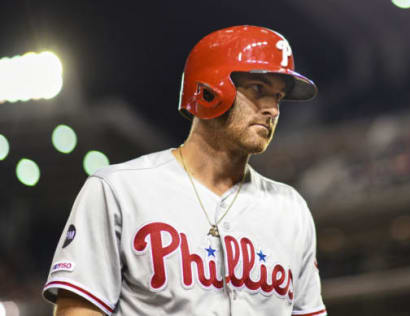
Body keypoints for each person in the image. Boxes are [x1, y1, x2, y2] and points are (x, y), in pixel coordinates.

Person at [43, 25, 327, 316]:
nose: (272, 110)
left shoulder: (291, 210)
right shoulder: (118, 190)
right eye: (258, 90)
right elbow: (78, 311)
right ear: (208, 90)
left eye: (277, 97)